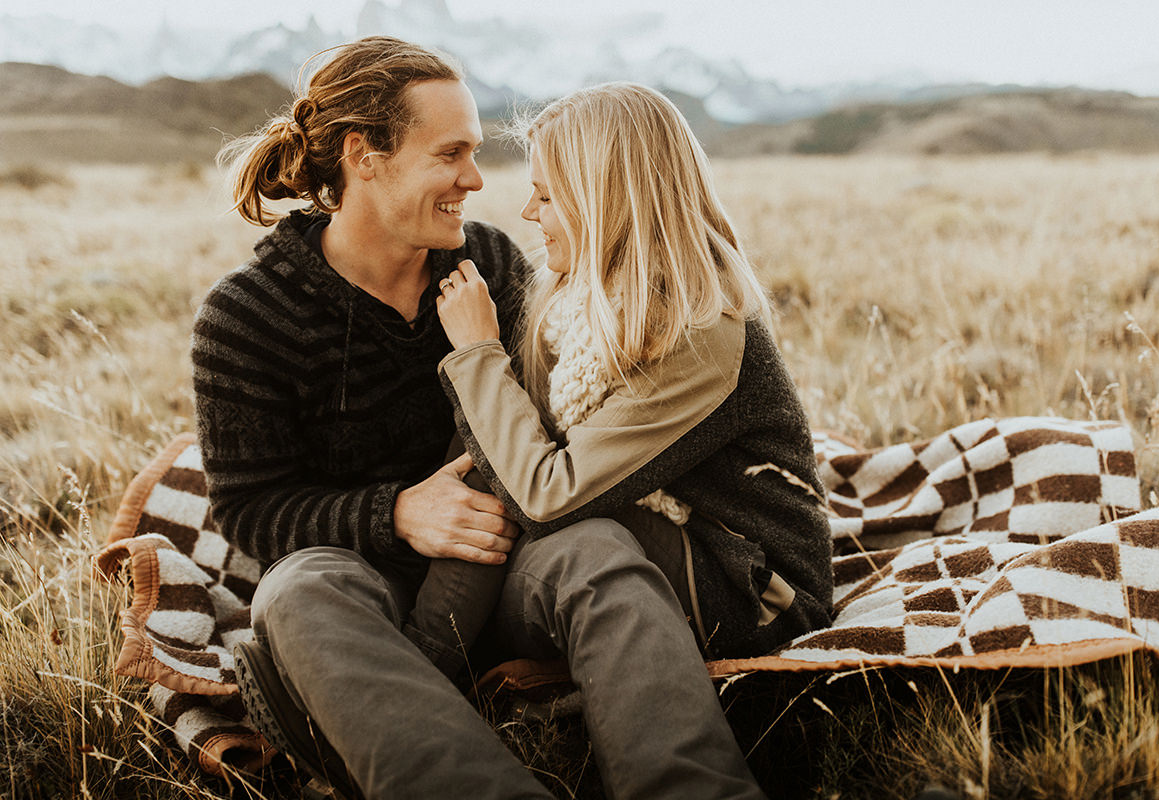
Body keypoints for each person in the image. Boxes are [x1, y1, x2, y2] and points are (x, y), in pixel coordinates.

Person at [193, 36, 806, 800]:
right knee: (295, 591)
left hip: (510, 561)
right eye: (451, 154)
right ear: (365, 156)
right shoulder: (247, 315)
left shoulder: (486, 264)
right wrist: (398, 515)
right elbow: (250, 511)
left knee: (595, 546)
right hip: (369, 580)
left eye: (476, 152)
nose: (476, 181)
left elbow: (535, 443)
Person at [434, 80, 834, 786]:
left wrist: (475, 355)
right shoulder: (577, 301)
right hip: (653, 541)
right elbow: (518, 460)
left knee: (548, 512)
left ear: (606, 201)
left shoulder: (696, 332)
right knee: (488, 479)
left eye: (549, 196)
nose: (529, 213)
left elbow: (546, 494)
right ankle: (418, 658)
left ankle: (422, 663)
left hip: (746, 586)